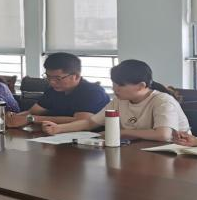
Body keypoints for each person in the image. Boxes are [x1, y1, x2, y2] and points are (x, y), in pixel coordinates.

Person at [40, 60, 188, 143]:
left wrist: (121, 133)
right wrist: (59, 129)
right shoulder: (120, 100)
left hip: (172, 154)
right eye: (114, 84)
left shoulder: (162, 101)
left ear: (141, 86)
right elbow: (91, 122)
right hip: (139, 150)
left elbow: (163, 135)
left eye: (120, 85)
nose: (115, 89)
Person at [6, 52, 110, 128]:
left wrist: (31, 119)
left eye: (57, 78)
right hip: (55, 137)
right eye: (48, 77)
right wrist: (13, 117)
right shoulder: (53, 90)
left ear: (76, 76)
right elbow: (32, 112)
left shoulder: (92, 92)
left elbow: (81, 121)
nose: (52, 82)